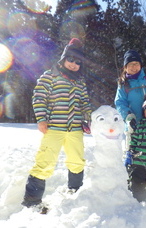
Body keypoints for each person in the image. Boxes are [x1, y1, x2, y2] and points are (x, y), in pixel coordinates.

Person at [21, 38, 92, 208]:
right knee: (45, 161)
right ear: (63, 58)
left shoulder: (80, 81)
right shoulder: (50, 75)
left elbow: (84, 103)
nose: (74, 64)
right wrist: (41, 119)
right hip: (53, 127)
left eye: (78, 62)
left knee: (77, 161)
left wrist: (87, 119)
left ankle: (75, 191)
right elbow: (39, 97)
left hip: (75, 129)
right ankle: (32, 200)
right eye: (71, 59)